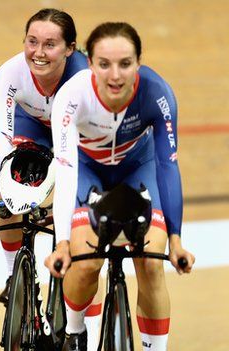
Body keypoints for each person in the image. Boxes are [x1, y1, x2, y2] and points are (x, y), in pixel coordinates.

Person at [44, 22, 196, 351]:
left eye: (125, 64)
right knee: (86, 264)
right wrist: (62, 242)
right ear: (90, 64)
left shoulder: (157, 93)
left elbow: (168, 164)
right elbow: (66, 169)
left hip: (138, 170)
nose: (115, 75)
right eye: (104, 64)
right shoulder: (72, 97)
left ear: (138, 63)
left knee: (151, 263)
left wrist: (176, 239)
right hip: (87, 170)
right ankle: (75, 332)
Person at [0, 8, 88, 305]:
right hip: (30, 126)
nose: (39, 53)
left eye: (49, 44)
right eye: (32, 42)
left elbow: (77, 160)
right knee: (9, 202)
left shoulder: (83, 79)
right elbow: (0, 147)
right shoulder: (10, 73)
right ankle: (13, 276)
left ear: (70, 49)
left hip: (74, 134)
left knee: (77, 210)